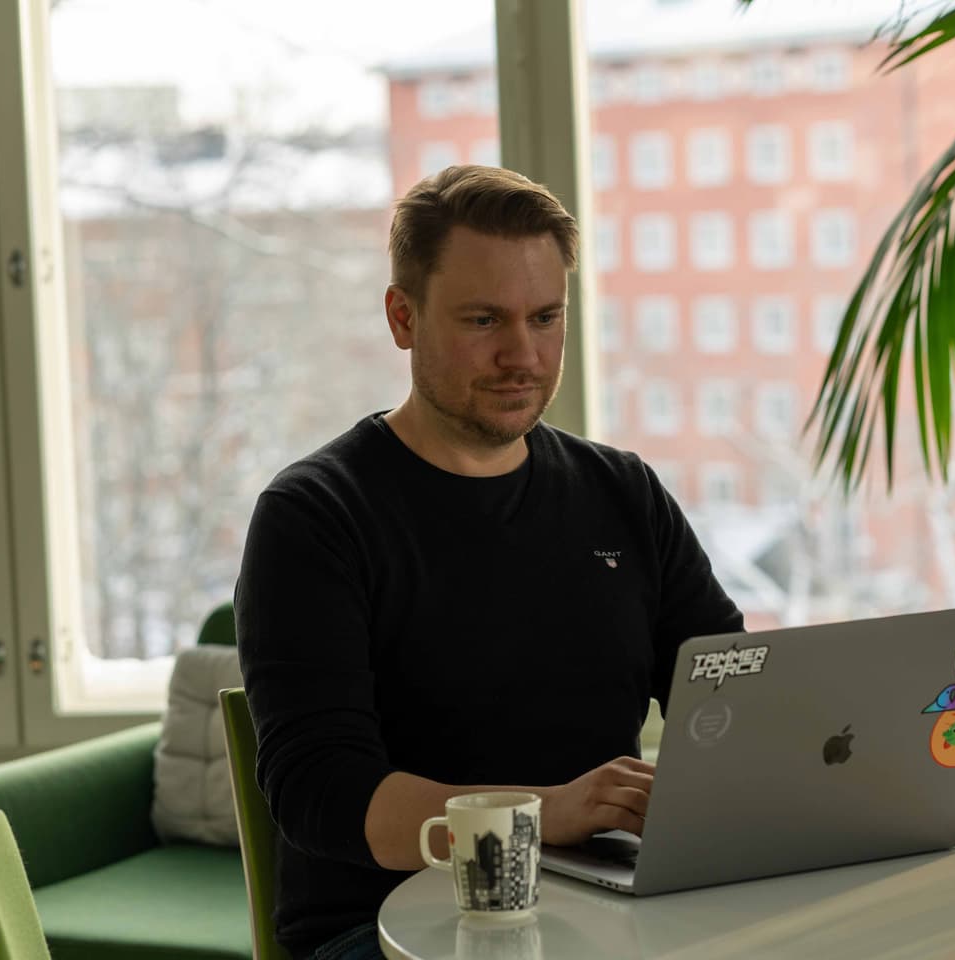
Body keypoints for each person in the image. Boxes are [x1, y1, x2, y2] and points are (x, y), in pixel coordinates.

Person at [235, 164, 743, 960]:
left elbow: (728, 696)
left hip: (599, 916)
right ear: (403, 318)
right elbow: (322, 793)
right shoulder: (316, 516)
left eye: (546, 318)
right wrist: (541, 816)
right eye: (483, 321)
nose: (523, 354)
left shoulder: (624, 494)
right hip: (383, 932)